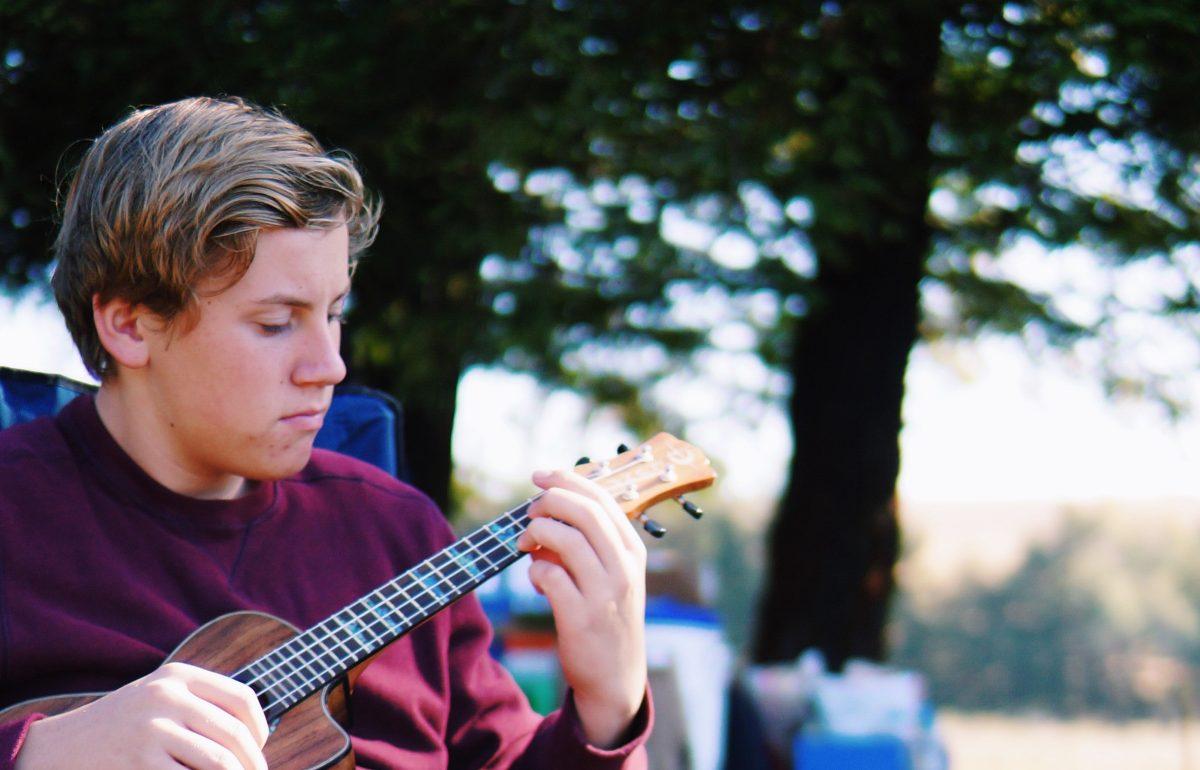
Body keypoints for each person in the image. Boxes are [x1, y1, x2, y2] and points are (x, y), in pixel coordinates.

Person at [0, 96, 650, 769]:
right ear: (130, 325)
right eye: (276, 323)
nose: (330, 366)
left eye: (334, 313)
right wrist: (39, 751)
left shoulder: (397, 532)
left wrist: (609, 705)